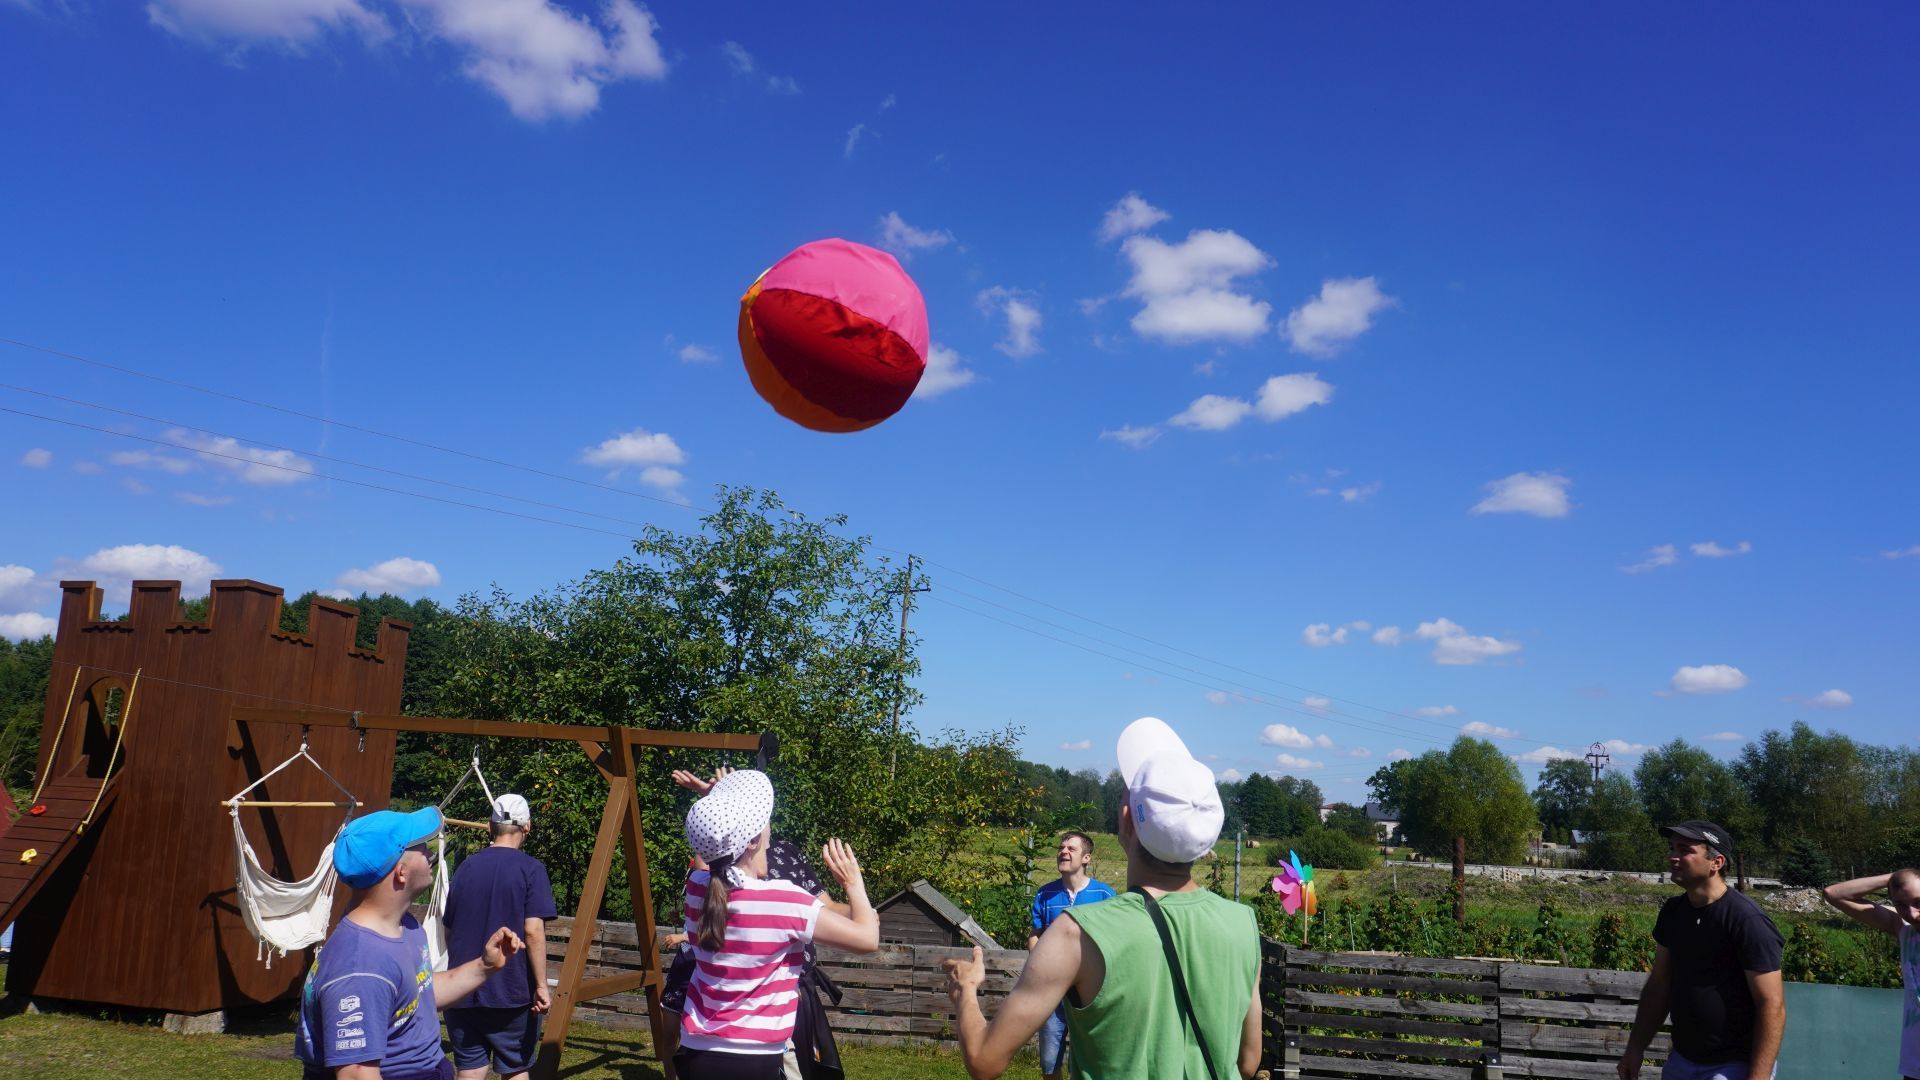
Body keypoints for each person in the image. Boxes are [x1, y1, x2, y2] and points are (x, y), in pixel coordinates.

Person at [944, 717, 1262, 1079]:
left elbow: (985, 1061)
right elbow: (1249, 1062)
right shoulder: (1243, 924)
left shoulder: (1077, 932)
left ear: (1127, 823)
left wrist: (966, 990)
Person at [676, 769, 881, 1079]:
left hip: (694, 1051)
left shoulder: (697, 889)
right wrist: (853, 884)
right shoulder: (782, 900)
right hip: (754, 1060)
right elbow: (868, 938)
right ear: (754, 839)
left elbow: (711, 849)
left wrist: (713, 802)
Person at [295, 807, 525, 1080]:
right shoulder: (360, 966)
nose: (430, 853)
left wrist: (485, 965)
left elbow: (417, 995)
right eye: (420, 847)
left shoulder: (406, 927)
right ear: (401, 872)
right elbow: (357, 1074)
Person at [1617, 821, 1785, 1080]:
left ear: (1716, 862)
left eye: (1685, 850)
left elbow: (1771, 1005)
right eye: (1672, 848)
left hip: (1734, 1066)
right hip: (1683, 1061)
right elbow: (1660, 984)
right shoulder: (1673, 912)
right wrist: (1635, 1048)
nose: (1672, 856)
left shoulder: (1746, 920)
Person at [442, 793, 559, 1080]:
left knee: (469, 1068)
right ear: (527, 827)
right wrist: (542, 986)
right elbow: (533, 932)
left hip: (463, 989)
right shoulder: (532, 870)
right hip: (511, 993)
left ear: (489, 826)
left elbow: (449, 928)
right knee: (515, 1068)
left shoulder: (466, 867)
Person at [1027, 832, 1116, 1080]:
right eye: (1061, 847)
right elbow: (1035, 934)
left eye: (1071, 848)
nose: (1063, 851)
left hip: (1091, 996)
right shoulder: (1044, 895)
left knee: (1089, 1060)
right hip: (1052, 993)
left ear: (1086, 857)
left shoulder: (1105, 896)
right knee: (1049, 1061)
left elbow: (1116, 941)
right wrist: (1040, 963)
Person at [1819, 867, 1920, 1080]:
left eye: (1919, 903)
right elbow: (1834, 893)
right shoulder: (1904, 930)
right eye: (1901, 905)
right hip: (1914, 1064)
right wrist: (1894, 878)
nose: (1911, 913)